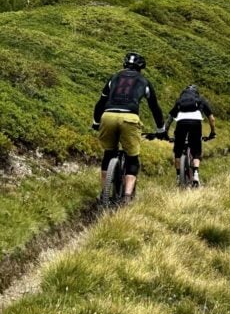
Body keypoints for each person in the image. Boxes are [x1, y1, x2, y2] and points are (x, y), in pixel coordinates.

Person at [92, 52, 167, 203]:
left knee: (108, 153)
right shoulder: (144, 81)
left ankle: (103, 193)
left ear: (124, 65)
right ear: (141, 68)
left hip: (108, 116)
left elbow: (101, 102)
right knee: (132, 158)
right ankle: (127, 197)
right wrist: (161, 130)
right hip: (130, 118)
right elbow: (155, 108)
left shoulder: (114, 78)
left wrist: (96, 122)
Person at [164, 84, 216, 188]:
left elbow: (169, 119)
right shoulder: (200, 100)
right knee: (196, 150)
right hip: (196, 122)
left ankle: (179, 176)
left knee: (178, 151)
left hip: (181, 123)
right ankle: (196, 174)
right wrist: (212, 132)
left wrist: (165, 133)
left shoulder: (180, 101)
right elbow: (212, 119)